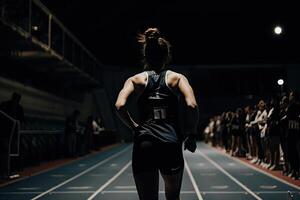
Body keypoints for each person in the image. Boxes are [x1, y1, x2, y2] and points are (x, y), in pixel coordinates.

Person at [115, 27, 199, 200]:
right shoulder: (177, 78)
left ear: (145, 56)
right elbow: (191, 105)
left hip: (145, 144)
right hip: (171, 143)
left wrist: (134, 127)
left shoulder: (135, 80)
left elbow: (120, 105)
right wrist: (191, 133)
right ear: (166, 55)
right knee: (173, 197)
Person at [0, 92, 24, 179]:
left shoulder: (19, 108)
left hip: (14, 134)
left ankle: (11, 171)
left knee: (13, 152)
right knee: (5, 152)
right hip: (4, 133)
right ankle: (4, 172)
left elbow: (21, 120)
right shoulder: (4, 105)